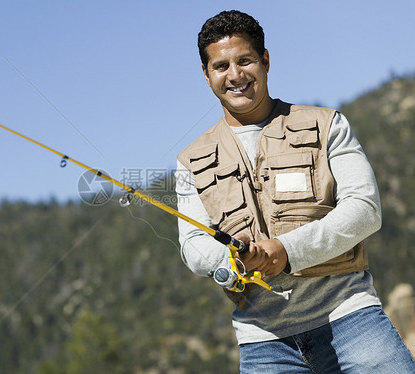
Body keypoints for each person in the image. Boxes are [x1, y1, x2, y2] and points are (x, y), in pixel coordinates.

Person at [175, 10, 415, 373]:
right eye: (221, 66)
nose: (235, 75)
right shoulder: (189, 160)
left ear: (265, 60)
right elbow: (193, 242)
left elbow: (365, 208)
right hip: (264, 345)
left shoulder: (328, 124)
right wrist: (233, 260)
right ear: (207, 75)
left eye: (245, 60)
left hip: (353, 320)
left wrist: (286, 250)